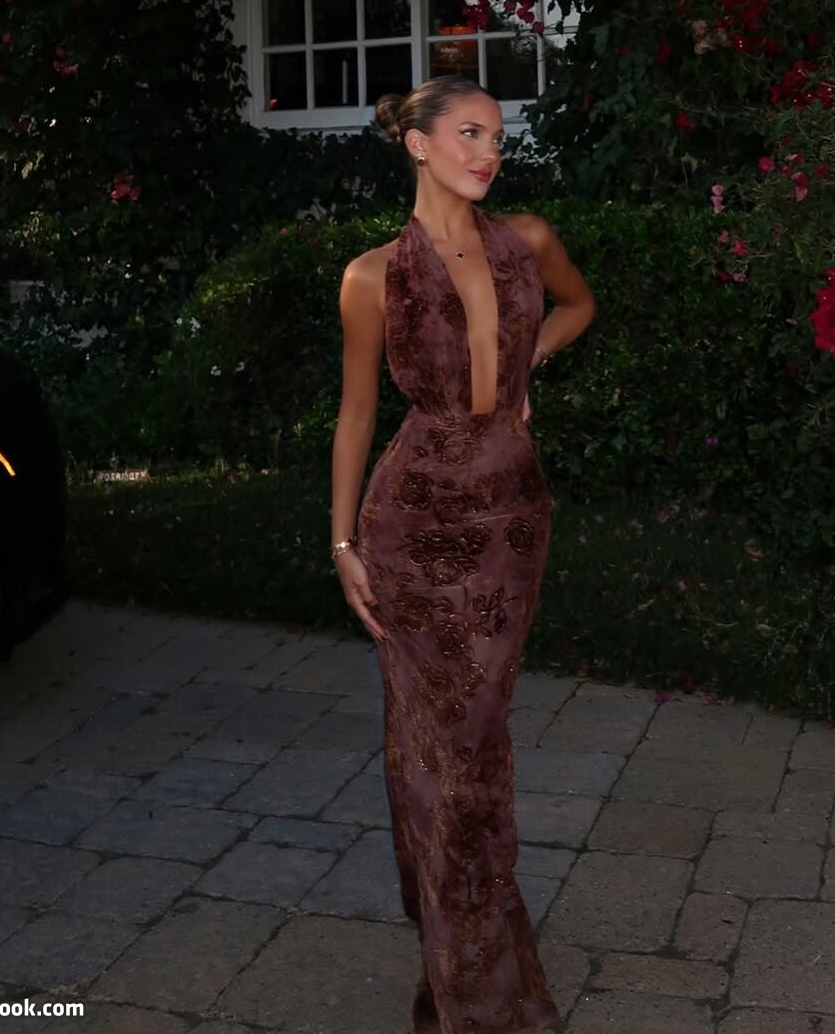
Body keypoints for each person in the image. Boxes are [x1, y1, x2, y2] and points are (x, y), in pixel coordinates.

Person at [330, 75, 597, 1034]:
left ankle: (460, 953)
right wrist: (343, 541)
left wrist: (530, 366)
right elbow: (357, 413)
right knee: (436, 756)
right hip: (411, 522)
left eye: (498, 135)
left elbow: (579, 304)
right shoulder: (372, 277)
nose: (490, 152)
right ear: (419, 143)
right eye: (471, 133)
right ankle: (474, 987)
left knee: (469, 744)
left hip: (510, 522)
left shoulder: (526, 239)